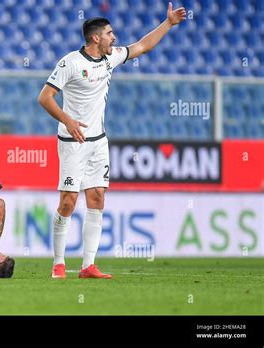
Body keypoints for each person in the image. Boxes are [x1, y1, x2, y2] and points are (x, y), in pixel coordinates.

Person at [38, 3, 186, 279]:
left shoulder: (110, 58)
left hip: (99, 142)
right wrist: (68, 120)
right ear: (96, 38)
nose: (114, 37)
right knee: (68, 201)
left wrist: (168, 24)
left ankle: (88, 266)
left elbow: (142, 46)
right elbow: (45, 97)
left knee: (97, 198)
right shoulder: (70, 62)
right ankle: (58, 263)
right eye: (109, 33)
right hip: (73, 142)